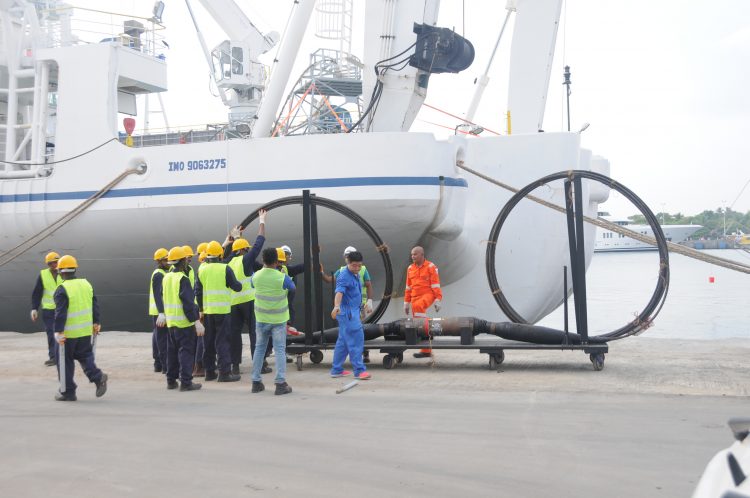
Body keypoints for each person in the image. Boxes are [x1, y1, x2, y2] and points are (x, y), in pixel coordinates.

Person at [52, 255, 107, 401]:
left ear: (60, 272)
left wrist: (58, 331)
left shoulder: (62, 289)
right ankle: (98, 377)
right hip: (84, 331)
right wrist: (96, 322)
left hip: (68, 335)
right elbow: (94, 304)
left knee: (64, 362)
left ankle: (68, 392)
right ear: (75, 269)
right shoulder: (86, 284)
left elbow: (60, 313)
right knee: (85, 356)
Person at [226, 209, 268, 375]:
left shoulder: (227, 262)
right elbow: (259, 241)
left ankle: (235, 366)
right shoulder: (246, 259)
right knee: (255, 333)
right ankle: (259, 365)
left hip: (233, 304)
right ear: (244, 250)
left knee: (234, 335)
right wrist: (262, 221)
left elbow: (223, 253)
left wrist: (235, 237)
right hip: (249, 302)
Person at [250, 248, 295, 395]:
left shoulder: (256, 276)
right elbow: (292, 288)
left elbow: (252, 284)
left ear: (263, 260)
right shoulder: (282, 277)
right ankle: (280, 383)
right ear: (277, 261)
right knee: (280, 349)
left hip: (261, 319)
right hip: (278, 320)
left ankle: (256, 382)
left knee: (259, 349)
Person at [195, 240, 242, 382]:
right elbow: (236, 287)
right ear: (220, 255)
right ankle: (224, 373)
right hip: (223, 311)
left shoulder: (202, 270)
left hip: (208, 312)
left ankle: (209, 372)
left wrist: (201, 309)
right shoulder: (225, 269)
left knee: (208, 342)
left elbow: (198, 292)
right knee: (223, 342)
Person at [321, 246, 374, 362]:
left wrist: (370, 301)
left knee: (356, 332)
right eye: (346, 256)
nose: (357, 268)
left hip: (361, 306)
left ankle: (362, 354)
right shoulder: (343, 272)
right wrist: (321, 272)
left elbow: (368, 285)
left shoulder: (362, 269)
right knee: (354, 334)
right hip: (349, 310)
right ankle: (356, 362)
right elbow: (331, 281)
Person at [162, 246, 204, 392]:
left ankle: (171, 381)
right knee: (186, 352)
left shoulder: (166, 277)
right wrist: (196, 321)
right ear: (182, 261)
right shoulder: (182, 279)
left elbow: (163, 296)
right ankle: (186, 382)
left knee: (172, 352)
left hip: (171, 322)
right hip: (183, 323)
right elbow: (188, 303)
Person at [329, 250, 371, 380]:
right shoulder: (344, 276)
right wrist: (336, 306)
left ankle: (336, 369)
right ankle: (359, 370)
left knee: (343, 342)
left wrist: (366, 303)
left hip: (353, 311)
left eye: (359, 265)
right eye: (354, 265)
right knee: (356, 339)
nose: (357, 268)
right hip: (348, 313)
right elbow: (339, 292)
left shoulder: (355, 273)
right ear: (348, 262)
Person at [404, 246, 442, 358]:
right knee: (418, 321)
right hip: (414, 297)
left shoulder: (431, 267)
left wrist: (438, 299)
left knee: (418, 308)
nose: (412, 256)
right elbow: (408, 287)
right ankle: (426, 349)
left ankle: (426, 333)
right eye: (412, 254)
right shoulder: (410, 268)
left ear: (422, 254)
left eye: (415, 254)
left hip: (427, 295)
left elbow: (436, 284)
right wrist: (406, 303)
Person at [30, 251, 62, 366]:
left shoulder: (64, 273)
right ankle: (53, 357)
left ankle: (64, 355)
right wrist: (34, 308)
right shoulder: (43, 274)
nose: (54, 265)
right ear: (48, 264)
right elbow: (37, 292)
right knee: (51, 333)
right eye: (51, 263)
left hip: (62, 309)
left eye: (55, 262)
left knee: (63, 332)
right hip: (48, 310)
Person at [149, 248, 170, 373]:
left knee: (157, 337)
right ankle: (165, 366)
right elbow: (158, 295)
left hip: (158, 312)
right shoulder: (159, 275)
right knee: (162, 340)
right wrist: (161, 313)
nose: (168, 262)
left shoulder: (161, 273)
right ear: (159, 261)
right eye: (166, 260)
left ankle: (158, 364)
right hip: (159, 313)